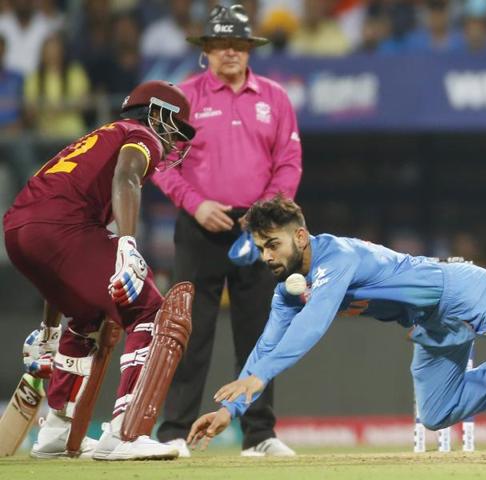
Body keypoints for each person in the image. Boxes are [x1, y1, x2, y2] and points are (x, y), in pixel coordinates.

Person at [187, 195, 486, 447]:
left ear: (299, 236)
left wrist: (260, 376)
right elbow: (268, 344)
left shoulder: (336, 257)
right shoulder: (290, 284)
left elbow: (312, 327)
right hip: (433, 325)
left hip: (466, 293)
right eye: (261, 248)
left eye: (273, 245)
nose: (267, 256)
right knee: (439, 413)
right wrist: (231, 409)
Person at [3, 80, 196, 460]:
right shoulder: (141, 135)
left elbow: (62, 265)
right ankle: (126, 432)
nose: (177, 141)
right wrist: (127, 244)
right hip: (61, 228)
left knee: (87, 316)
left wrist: (48, 329)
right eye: (178, 128)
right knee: (151, 310)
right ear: (157, 113)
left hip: (19, 231)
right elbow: (125, 176)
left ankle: (56, 432)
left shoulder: (101, 135)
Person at [152, 4, 302, 457]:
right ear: (207, 51)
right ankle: (174, 433)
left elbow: (289, 162)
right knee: (188, 332)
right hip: (201, 226)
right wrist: (196, 205)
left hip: (258, 231)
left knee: (260, 334)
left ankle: (259, 436)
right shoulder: (184, 98)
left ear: (249, 49)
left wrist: (266, 213)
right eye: (221, 45)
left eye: (238, 44)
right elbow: (159, 161)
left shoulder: (274, 97)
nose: (230, 52)